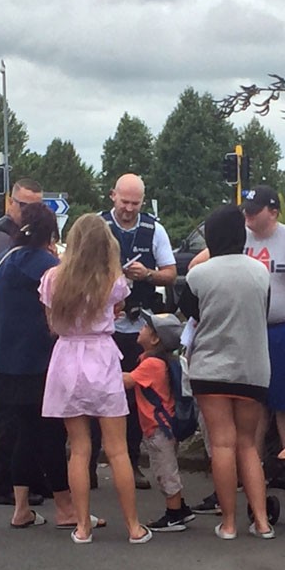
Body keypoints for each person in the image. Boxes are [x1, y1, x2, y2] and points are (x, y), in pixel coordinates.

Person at [188, 185, 285, 515]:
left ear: (273, 212)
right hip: (250, 333)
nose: (248, 216)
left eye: (255, 210)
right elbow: (199, 264)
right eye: (245, 210)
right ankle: (246, 478)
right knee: (252, 411)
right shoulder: (237, 238)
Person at [41, 213, 152, 545]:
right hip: (101, 356)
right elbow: (115, 310)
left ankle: (82, 527)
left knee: (78, 449)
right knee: (117, 450)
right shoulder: (113, 281)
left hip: (65, 358)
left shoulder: (52, 278)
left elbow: (51, 324)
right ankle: (133, 526)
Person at [0, 202, 83, 529]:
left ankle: (21, 507)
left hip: (0, 359)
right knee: (50, 433)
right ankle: (67, 509)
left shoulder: (9, 259)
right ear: (51, 233)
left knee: (23, 432)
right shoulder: (47, 265)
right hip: (33, 361)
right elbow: (73, 301)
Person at [179, 204, 274, 540]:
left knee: (222, 444)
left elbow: (192, 314)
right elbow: (264, 311)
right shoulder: (261, 272)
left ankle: (229, 523)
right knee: (248, 444)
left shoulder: (198, 275)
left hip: (211, 368)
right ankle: (261, 522)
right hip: (253, 368)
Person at [97, 173, 177, 491]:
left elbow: (171, 275)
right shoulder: (98, 227)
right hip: (102, 327)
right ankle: (87, 465)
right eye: (124, 201)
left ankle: (131, 463)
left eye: (135, 203)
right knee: (95, 394)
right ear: (112, 196)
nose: (129, 209)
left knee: (132, 398)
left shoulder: (154, 229)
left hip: (138, 327)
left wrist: (148, 275)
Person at [0, 178, 45, 506]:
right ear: (11, 203)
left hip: (10, 346)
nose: (30, 213)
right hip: (9, 347)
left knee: (18, 418)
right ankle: (4, 483)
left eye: (37, 207)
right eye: (25, 206)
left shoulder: (25, 246)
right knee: (11, 419)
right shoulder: (1, 240)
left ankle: (18, 482)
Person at [123, 310, 196, 532]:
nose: (141, 328)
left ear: (155, 339)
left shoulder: (152, 364)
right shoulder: (155, 360)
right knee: (165, 466)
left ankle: (174, 513)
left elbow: (128, 381)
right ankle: (180, 508)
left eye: (146, 327)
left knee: (165, 470)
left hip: (158, 427)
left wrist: (103, 373)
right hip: (162, 425)